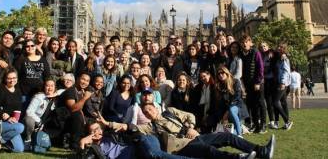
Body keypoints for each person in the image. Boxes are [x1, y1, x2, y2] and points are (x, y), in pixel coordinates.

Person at [99, 103, 275, 159]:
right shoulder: (150, 127)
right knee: (207, 151)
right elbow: (130, 127)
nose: (148, 113)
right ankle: (238, 158)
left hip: (194, 137)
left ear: (156, 108)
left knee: (227, 136)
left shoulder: (170, 111)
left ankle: (262, 151)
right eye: (145, 113)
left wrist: (191, 127)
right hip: (181, 147)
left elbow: (189, 116)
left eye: (150, 110)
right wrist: (109, 124)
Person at [57, 71, 92, 149]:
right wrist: (85, 98)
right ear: (77, 79)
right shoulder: (71, 91)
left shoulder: (80, 92)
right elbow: (73, 109)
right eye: (83, 79)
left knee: (84, 118)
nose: (85, 82)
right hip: (60, 120)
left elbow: (80, 109)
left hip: (69, 119)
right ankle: (74, 144)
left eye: (87, 81)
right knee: (77, 115)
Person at [0, 69, 24, 153]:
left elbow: (18, 109)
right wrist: (5, 116)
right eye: (9, 78)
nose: (12, 80)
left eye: (14, 78)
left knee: (19, 149)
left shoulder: (18, 91)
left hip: (11, 124)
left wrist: (15, 120)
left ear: (17, 78)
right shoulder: (1, 89)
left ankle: (0, 140)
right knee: (20, 127)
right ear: (5, 79)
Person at [239, 35, 266, 134]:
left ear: (250, 43)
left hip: (257, 83)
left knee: (260, 103)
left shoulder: (255, 52)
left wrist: (258, 82)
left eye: (246, 42)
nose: (244, 44)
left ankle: (263, 125)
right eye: (243, 42)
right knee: (252, 105)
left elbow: (260, 68)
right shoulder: (242, 54)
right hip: (248, 84)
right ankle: (255, 125)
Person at [14, 39, 50, 112]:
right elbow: (16, 76)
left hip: (39, 93)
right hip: (24, 93)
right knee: (24, 113)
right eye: (27, 46)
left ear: (35, 46)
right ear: (24, 48)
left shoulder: (43, 60)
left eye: (32, 45)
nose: (30, 47)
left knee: (37, 114)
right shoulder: (20, 60)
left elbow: (47, 76)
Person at [25, 79, 63, 145]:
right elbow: (29, 111)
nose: (50, 88)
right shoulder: (39, 97)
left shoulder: (55, 97)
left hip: (46, 124)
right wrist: (39, 122)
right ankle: (28, 139)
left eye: (52, 86)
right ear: (44, 87)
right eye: (47, 86)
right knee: (29, 120)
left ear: (55, 87)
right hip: (36, 122)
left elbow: (65, 90)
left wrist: (55, 94)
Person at [215, 67, 247, 137]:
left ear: (227, 73)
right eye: (218, 74)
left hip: (237, 107)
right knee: (225, 133)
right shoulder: (219, 86)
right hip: (227, 111)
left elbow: (237, 97)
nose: (220, 75)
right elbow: (220, 103)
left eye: (222, 73)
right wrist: (222, 118)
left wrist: (227, 112)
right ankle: (241, 129)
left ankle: (239, 134)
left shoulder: (235, 81)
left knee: (232, 110)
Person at [273, 43, 293, 130]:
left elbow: (286, 71)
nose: (278, 48)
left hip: (283, 83)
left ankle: (287, 121)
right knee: (283, 102)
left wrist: (283, 82)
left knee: (275, 102)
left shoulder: (284, 58)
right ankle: (286, 123)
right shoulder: (279, 57)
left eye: (281, 47)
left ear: (284, 49)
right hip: (280, 82)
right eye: (278, 46)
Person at [259, 42, 278, 129]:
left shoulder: (272, 53)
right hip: (264, 81)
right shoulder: (260, 56)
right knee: (266, 101)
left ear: (268, 47)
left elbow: (279, 53)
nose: (263, 47)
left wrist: (272, 51)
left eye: (265, 46)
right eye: (261, 46)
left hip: (272, 80)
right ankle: (268, 121)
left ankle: (274, 121)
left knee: (273, 102)